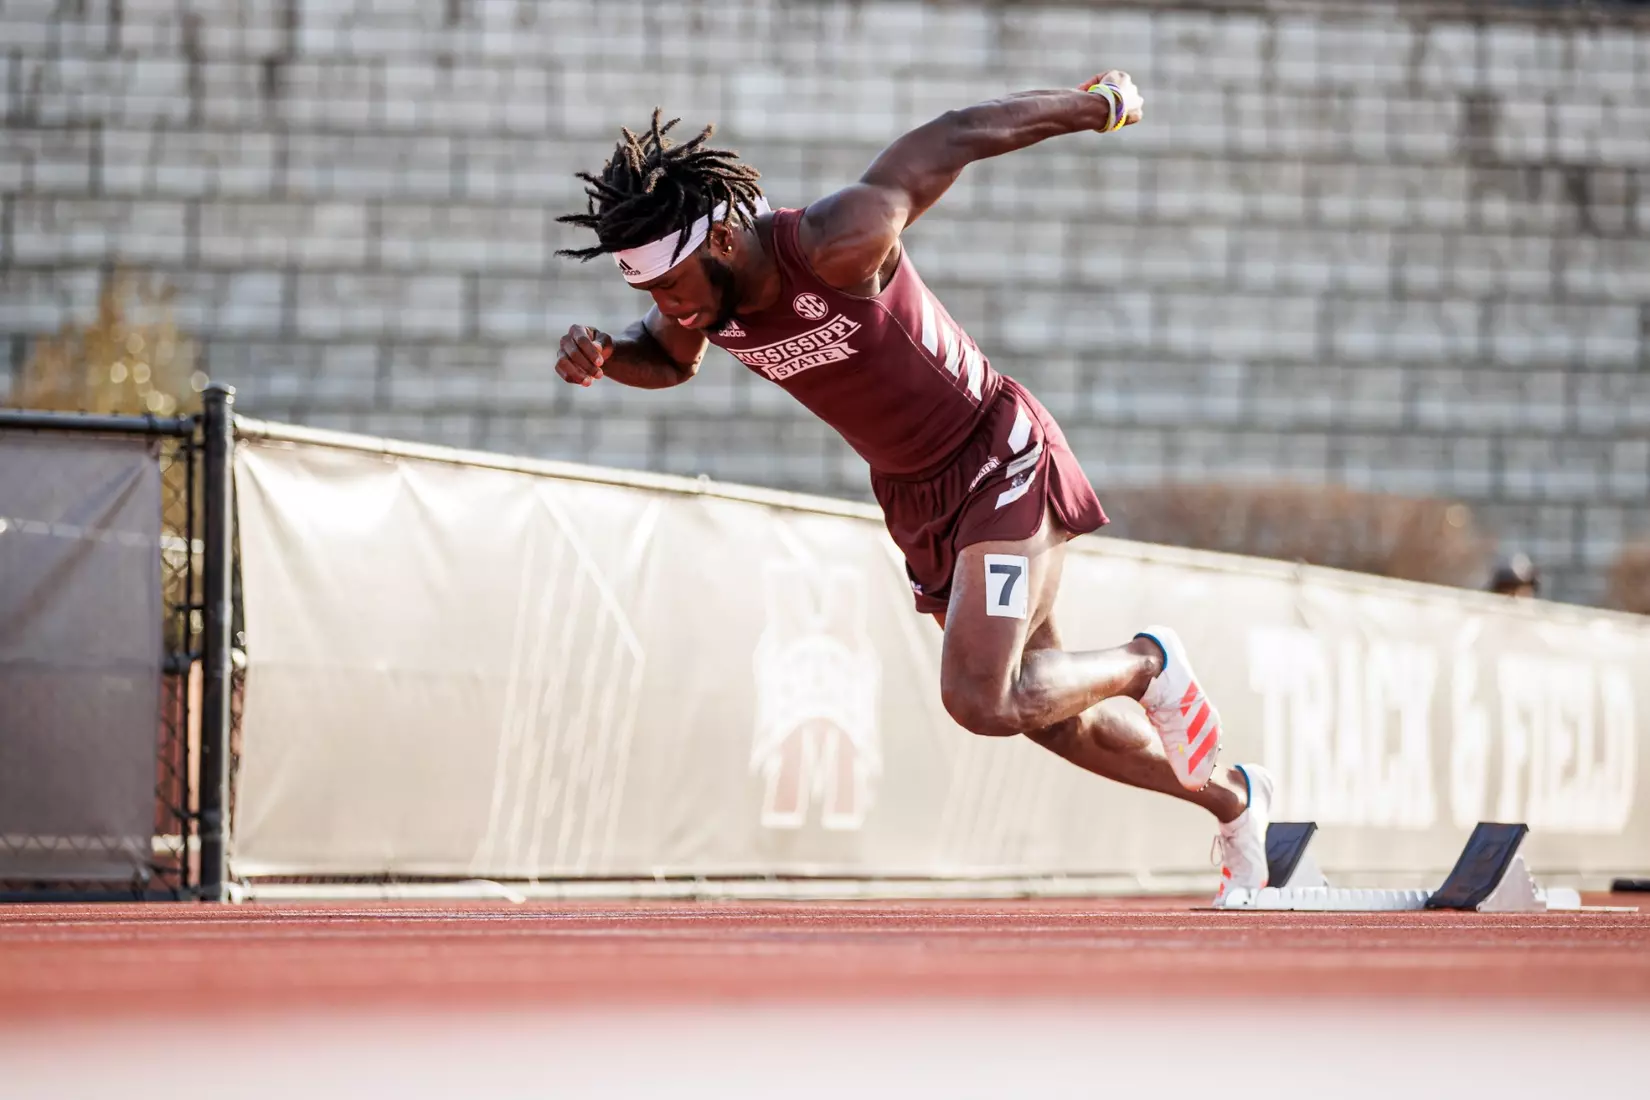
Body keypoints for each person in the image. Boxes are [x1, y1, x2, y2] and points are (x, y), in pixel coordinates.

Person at [554, 72, 1274, 904]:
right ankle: (1233, 798)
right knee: (1046, 714)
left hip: (997, 452)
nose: (666, 310)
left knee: (981, 698)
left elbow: (958, 131)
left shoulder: (835, 240)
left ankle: (1150, 663)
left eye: (668, 290)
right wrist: (610, 355)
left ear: (718, 245)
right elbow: (670, 365)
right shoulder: (695, 309)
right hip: (916, 497)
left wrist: (1095, 105)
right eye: (646, 297)